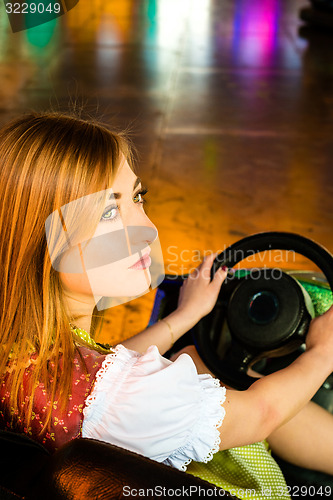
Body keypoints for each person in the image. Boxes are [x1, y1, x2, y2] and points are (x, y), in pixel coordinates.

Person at [0, 111, 332, 500]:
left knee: (197, 357)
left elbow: (104, 378)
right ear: (43, 245)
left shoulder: (23, 347)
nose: (148, 229)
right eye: (110, 212)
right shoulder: (131, 396)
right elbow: (261, 415)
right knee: (232, 378)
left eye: (137, 198)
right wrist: (323, 352)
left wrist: (185, 317)